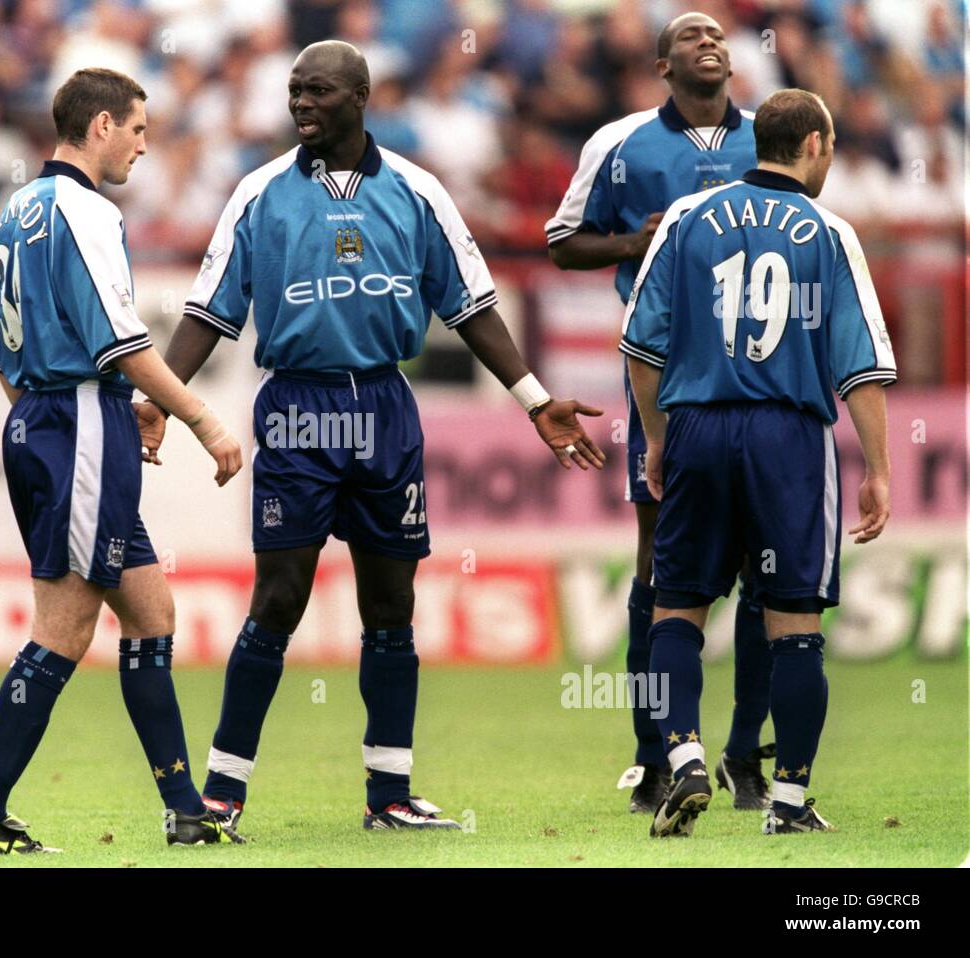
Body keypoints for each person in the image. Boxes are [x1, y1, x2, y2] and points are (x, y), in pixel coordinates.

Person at [140, 40, 605, 832]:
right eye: (294, 92)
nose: (300, 104)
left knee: (391, 604)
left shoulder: (419, 193)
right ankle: (221, 792)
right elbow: (209, 312)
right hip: (296, 410)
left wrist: (532, 400)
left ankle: (389, 795)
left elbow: (471, 308)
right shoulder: (258, 193)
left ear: (361, 95)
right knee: (279, 597)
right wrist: (166, 401)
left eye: (317, 91)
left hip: (387, 407)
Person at [0, 67, 245, 854]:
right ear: (103, 125)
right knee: (65, 627)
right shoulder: (86, 210)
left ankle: (186, 809)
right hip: (76, 420)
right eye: (140, 131)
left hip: (52, 420)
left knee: (150, 612)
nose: (145, 148)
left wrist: (81, 422)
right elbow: (127, 343)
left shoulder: (15, 211)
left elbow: (4, 362)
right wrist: (204, 420)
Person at [620, 88, 895, 836]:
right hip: (788, 437)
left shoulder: (686, 218)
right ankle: (789, 802)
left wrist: (654, 436)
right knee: (794, 621)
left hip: (700, 426)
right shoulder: (830, 231)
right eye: (831, 145)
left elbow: (640, 346)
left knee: (677, 605)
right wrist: (879, 468)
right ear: (812, 145)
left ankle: (682, 757)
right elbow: (862, 367)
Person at [545, 11, 774, 814]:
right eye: (689, 34)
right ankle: (654, 752)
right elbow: (563, 240)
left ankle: (747, 751)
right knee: (659, 557)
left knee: (762, 561)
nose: (709, 39)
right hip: (669, 369)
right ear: (661, 63)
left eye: (717, 32)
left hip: (764, 369)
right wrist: (630, 245)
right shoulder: (619, 143)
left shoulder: (772, 137)